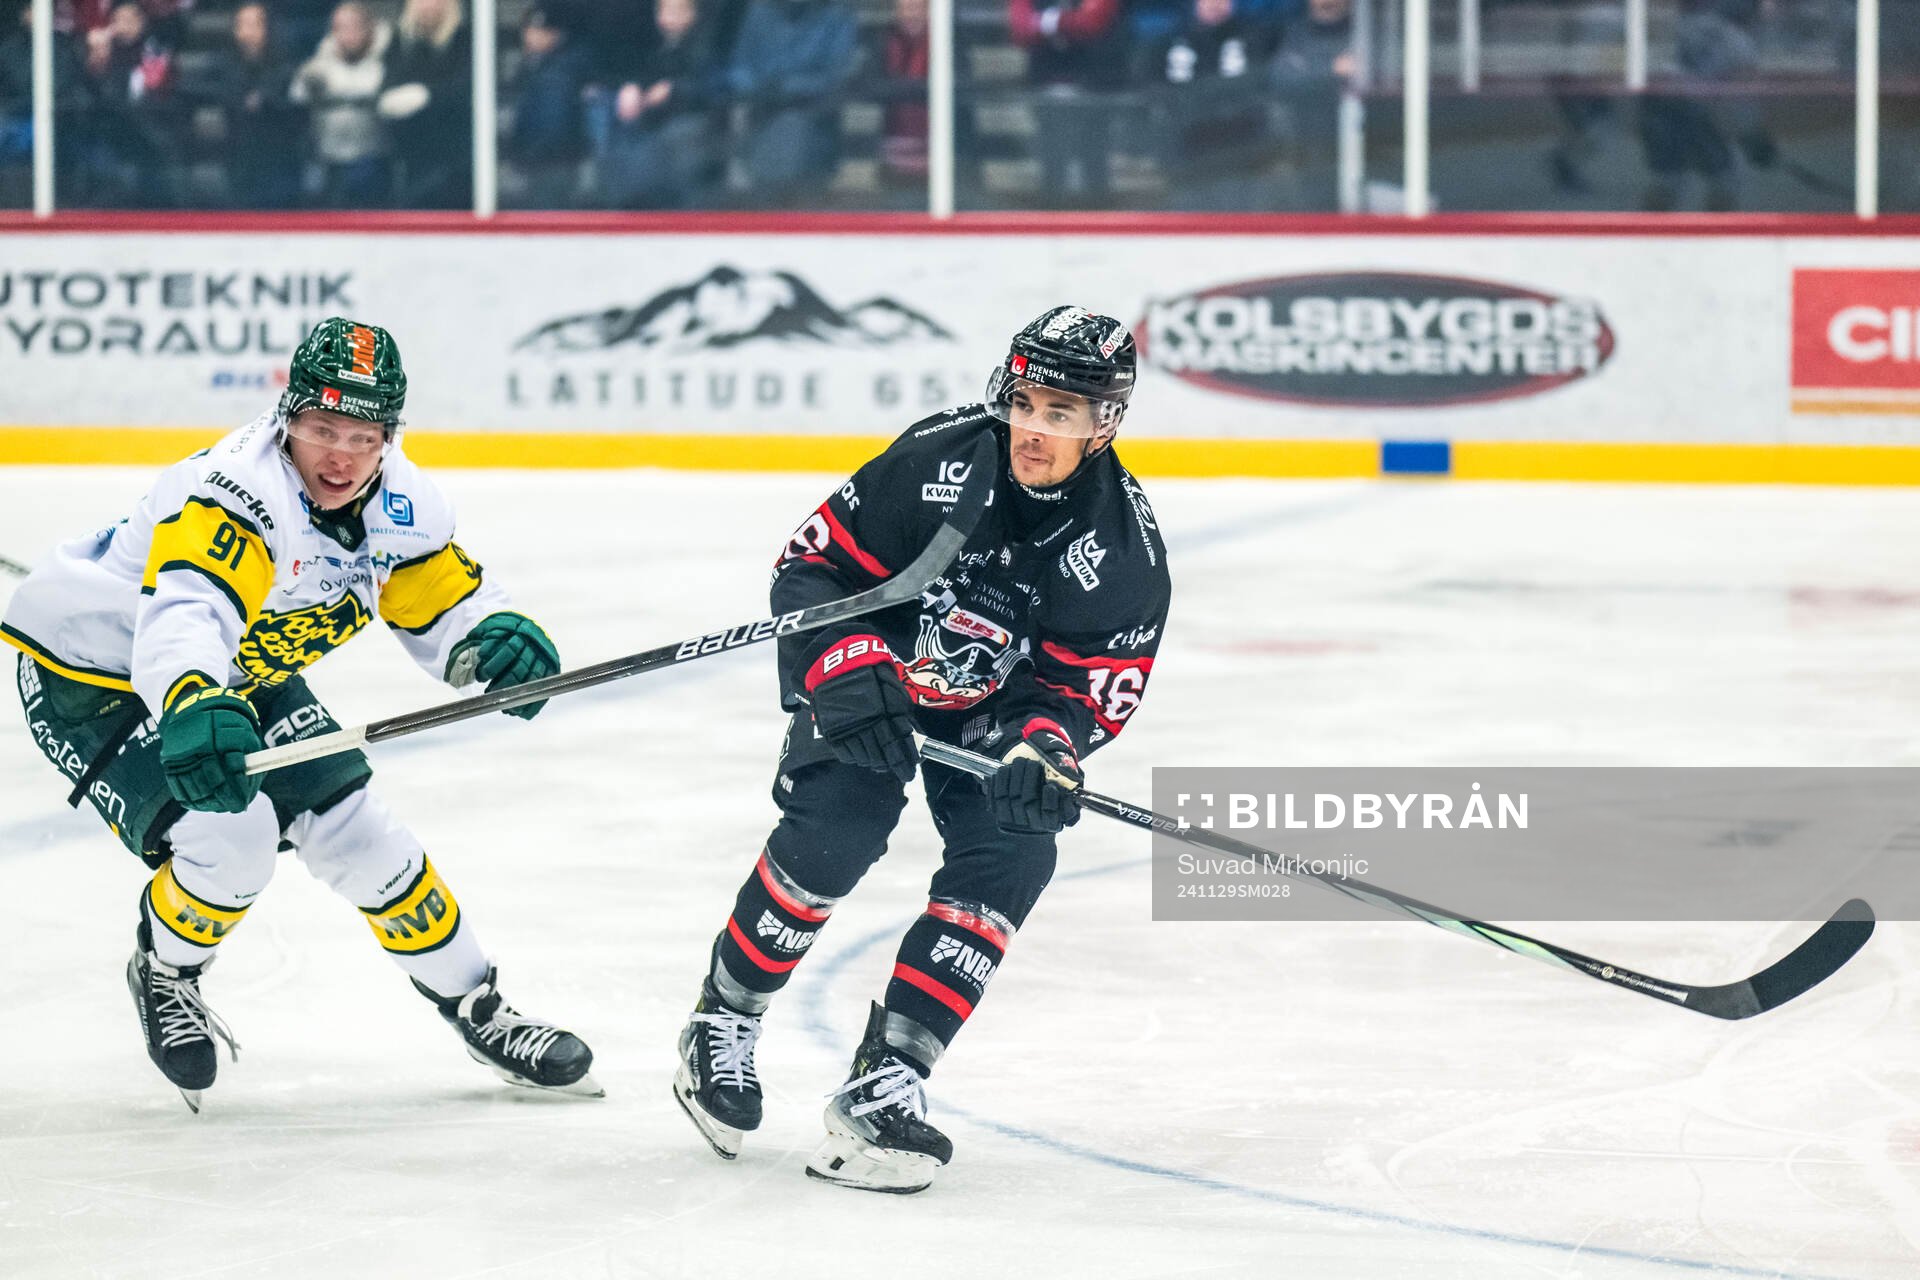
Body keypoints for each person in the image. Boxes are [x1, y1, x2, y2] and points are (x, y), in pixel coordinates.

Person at [2, 317, 599, 1112]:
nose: (341, 456)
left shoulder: (403, 500)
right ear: (290, 418)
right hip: (97, 678)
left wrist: (486, 638)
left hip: (243, 671)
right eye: (322, 429)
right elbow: (189, 617)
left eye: (363, 434)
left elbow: (435, 598)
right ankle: (166, 970)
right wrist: (189, 699)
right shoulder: (236, 493)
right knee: (233, 840)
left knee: (362, 834)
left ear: (391, 433)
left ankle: (478, 1006)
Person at [671, 306, 1171, 1193]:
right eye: (1025, 402)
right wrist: (844, 659)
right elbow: (812, 564)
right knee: (839, 824)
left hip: (997, 719)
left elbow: (1088, 689)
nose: (1034, 429)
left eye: (1062, 413)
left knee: (1016, 850)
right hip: (880, 684)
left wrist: (1049, 748)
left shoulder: (1121, 548)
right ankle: (725, 1017)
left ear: (1105, 426)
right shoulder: (940, 461)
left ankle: (887, 1079)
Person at [723, 0, 858, 205]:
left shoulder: (837, 14)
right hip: (763, 121)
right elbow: (739, 67)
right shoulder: (759, 11)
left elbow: (836, 77)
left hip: (811, 128)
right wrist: (757, 88)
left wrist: (785, 87)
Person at [602, 0, 725, 209]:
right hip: (651, 122)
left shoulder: (706, 47)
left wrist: (673, 90)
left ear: (694, 15)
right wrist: (632, 88)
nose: (671, 17)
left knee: (672, 143)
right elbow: (636, 75)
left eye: (678, 11)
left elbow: (711, 87)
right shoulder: (653, 46)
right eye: (665, 10)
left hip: (692, 123)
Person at [290, 0, 391, 205]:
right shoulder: (318, 65)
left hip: (371, 160)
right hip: (328, 162)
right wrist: (311, 84)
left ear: (368, 30)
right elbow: (296, 95)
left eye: (353, 27)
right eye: (340, 28)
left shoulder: (385, 63)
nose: (347, 35)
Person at [380, 0, 471, 208]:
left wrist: (428, 95)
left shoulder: (464, 40)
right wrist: (386, 100)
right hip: (412, 155)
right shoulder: (402, 42)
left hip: (455, 156)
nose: (427, 6)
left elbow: (467, 87)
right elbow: (388, 83)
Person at [212, 2, 303, 208]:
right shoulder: (225, 65)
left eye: (255, 25)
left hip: (281, 160)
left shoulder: (286, 64)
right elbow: (224, 97)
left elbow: (290, 104)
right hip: (241, 160)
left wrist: (264, 99)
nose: (248, 33)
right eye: (242, 25)